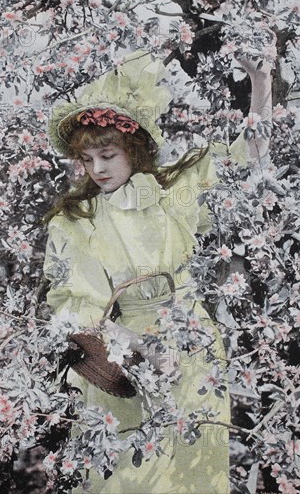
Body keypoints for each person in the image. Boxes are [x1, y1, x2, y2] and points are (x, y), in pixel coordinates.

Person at [42, 47, 273, 493]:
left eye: (107, 153)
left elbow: (250, 163)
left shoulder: (174, 190)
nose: (98, 168)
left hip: (193, 343)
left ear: (133, 146)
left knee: (195, 471)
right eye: (87, 159)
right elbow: (75, 309)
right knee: (131, 477)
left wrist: (260, 83)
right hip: (124, 358)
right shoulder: (76, 219)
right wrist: (140, 348)